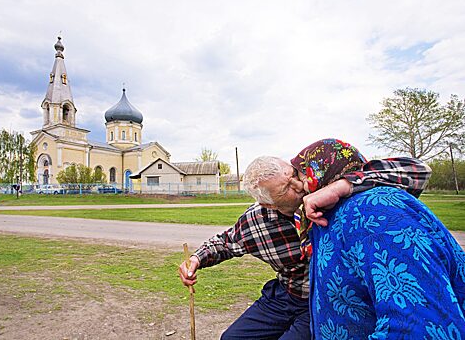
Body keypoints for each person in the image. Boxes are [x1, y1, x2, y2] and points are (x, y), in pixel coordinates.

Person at [178, 139, 432, 339]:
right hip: (286, 295)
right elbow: (225, 242)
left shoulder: (326, 191)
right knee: (231, 338)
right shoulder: (255, 221)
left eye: (293, 176)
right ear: (268, 202)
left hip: (324, 300)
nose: (300, 186)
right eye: (286, 189)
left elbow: (417, 171)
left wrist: (340, 186)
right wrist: (195, 260)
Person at [290, 139, 465, 337]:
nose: (299, 187)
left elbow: (418, 327)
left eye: (302, 176)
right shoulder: (326, 216)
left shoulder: (372, 211)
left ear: (321, 170)